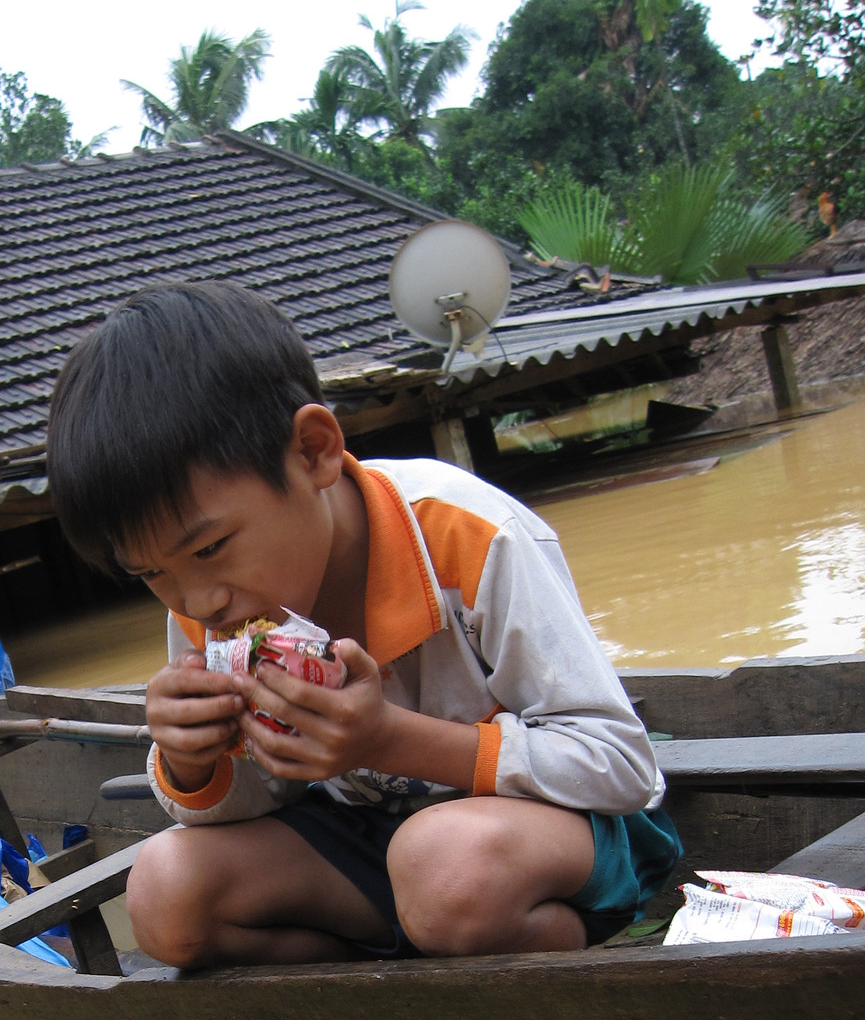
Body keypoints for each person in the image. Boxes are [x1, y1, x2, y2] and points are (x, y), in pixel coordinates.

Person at [46, 281, 681, 969]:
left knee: (444, 869)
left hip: (551, 841)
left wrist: (386, 739)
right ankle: (402, 962)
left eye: (208, 548)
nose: (194, 601)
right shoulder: (211, 603)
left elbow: (621, 766)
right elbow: (267, 793)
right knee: (166, 896)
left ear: (314, 451)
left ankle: (564, 946)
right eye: (151, 574)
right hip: (378, 845)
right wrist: (190, 759)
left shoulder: (471, 535)